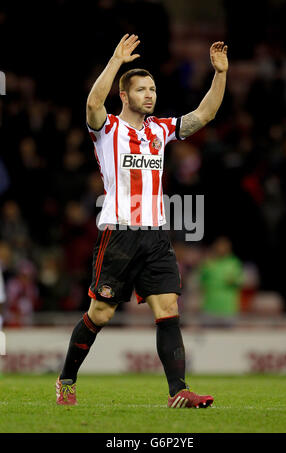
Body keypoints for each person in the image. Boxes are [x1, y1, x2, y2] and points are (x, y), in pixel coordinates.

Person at [56, 34, 228, 408]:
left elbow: (205, 115)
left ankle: (178, 391)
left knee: (168, 309)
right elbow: (92, 103)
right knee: (99, 313)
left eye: (153, 89)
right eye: (142, 90)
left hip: (155, 236)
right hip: (119, 234)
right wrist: (116, 60)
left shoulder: (159, 130)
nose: (150, 95)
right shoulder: (108, 130)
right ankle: (67, 379)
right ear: (125, 95)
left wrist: (220, 75)